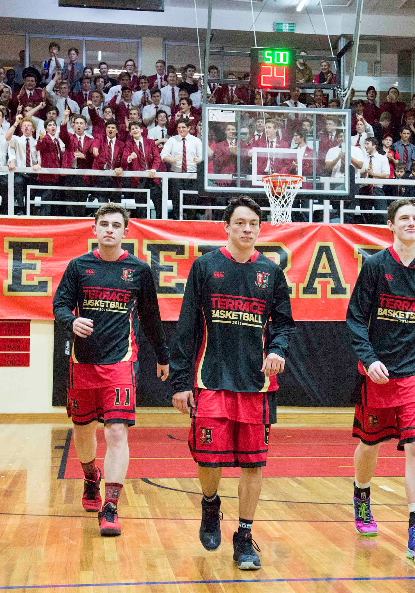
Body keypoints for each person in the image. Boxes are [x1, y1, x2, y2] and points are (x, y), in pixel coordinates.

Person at [169, 196, 294, 571]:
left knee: (254, 464)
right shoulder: (205, 267)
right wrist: (180, 382)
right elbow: (188, 327)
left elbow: (284, 325)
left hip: (256, 386)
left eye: (253, 223)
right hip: (211, 382)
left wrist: (278, 350)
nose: (246, 229)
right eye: (239, 222)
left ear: (260, 229)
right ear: (226, 227)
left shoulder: (272, 273)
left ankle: (243, 535)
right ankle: (210, 505)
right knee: (208, 459)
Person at [53, 203, 169, 536]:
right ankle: (90, 475)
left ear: (125, 232)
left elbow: (150, 316)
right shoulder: (78, 267)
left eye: (115, 225)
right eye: (103, 224)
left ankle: (111, 506)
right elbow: (59, 304)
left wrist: (163, 356)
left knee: (117, 432)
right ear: (94, 229)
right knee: (84, 429)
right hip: (83, 363)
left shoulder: (138, 270)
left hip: (121, 362)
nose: (109, 230)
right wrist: (72, 320)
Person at [346, 197, 415, 565]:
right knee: (370, 444)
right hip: (377, 373)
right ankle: (362, 493)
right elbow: (355, 319)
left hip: (414, 371)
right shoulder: (374, 266)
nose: (412, 223)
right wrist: (368, 360)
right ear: (391, 224)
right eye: (405, 218)